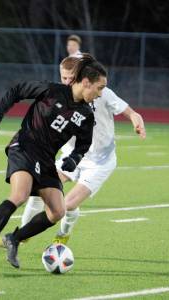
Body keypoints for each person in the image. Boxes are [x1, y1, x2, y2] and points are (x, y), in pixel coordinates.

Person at [0, 54, 107, 269]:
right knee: (19, 195)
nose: (100, 94)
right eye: (99, 88)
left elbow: (83, 144)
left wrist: (74, 158)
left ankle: (13, 239)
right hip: (24, 146)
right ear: (86, 82)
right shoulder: (51, 90)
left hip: (46, 159)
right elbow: (17, 90)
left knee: (58, 211)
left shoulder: (87, 114)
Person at [20, 57, 146, 246]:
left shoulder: (101, 92)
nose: (67, 82)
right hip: (71, 157)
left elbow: (131, 112)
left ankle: (63, 234)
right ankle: (22, 234)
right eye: (63, 78)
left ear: (80, 77)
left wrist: (136, 120)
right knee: (38, 189)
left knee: (68, 204)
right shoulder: (56, 96)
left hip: (99, 162)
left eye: (71, 78)